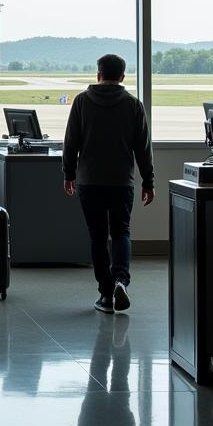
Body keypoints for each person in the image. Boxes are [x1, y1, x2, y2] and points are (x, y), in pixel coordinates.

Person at [62, 53, 155, 314]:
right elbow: (143, 148)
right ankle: (120, 281)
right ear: (123, 77)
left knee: (98, 236)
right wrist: (148, 180)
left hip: (89, 181)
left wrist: (68, 174)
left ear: (98, 74)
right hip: (121, 182)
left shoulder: (81, 102)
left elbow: (71, 143)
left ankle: (105, 294)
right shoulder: (134, 105)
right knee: (121, 232)